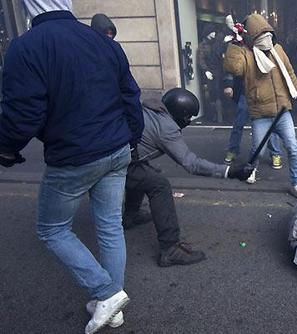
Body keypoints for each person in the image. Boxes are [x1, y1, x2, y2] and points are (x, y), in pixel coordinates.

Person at [0, 2, 144, 333]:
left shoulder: (26, 47)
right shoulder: (103, 42)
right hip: (117, 147)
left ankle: (107, 293)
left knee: (51, 229)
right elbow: (130, 97)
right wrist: (130, 138)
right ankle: (114, 308)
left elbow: (23, 114)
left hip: (75, 155)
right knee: (110, 226)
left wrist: (6, 147)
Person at [123, 88, 254, 267]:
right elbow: (191, 163)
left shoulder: (150, 108)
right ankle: (170, 249)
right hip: (120, 163)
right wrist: (230, 171)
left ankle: (131, 215)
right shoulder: (167, 128)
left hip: (124, 156)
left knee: (146, 172)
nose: (189, 122)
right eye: (188, 117)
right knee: (159, 185)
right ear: (179, 114)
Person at [223, 14, 297, 197]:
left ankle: (296, 183)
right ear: (253, 37)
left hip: (282, 110)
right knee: (258, 151)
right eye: (262, 35)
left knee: (293, 147)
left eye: (269, 34)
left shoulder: (278, 49)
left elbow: (290, 73)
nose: (267, 39)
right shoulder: (246, 54)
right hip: (260, 112)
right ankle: (251, 170)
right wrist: (235, 44)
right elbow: (234, 68)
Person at [222, 72, 283, 173]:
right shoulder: (243, 55)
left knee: (270, 123)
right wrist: (228, 84)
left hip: (266, 93)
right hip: (247, 92)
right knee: (238, 123)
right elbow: (232, 66)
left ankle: (275, 153)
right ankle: (233, 150)